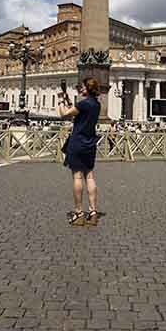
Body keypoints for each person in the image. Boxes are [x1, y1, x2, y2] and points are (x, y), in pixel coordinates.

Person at [57, 78, 102, 226]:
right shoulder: (96, 104)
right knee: (89, 176)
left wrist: (61, 100)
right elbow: (79, 115)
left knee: (77, 177)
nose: (80, 89)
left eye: (82, 87)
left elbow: (64, 115)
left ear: (88, 88)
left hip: (77, 142)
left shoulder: (83, 103)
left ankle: (79, 213)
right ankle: (93, 212)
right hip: (90, 143)